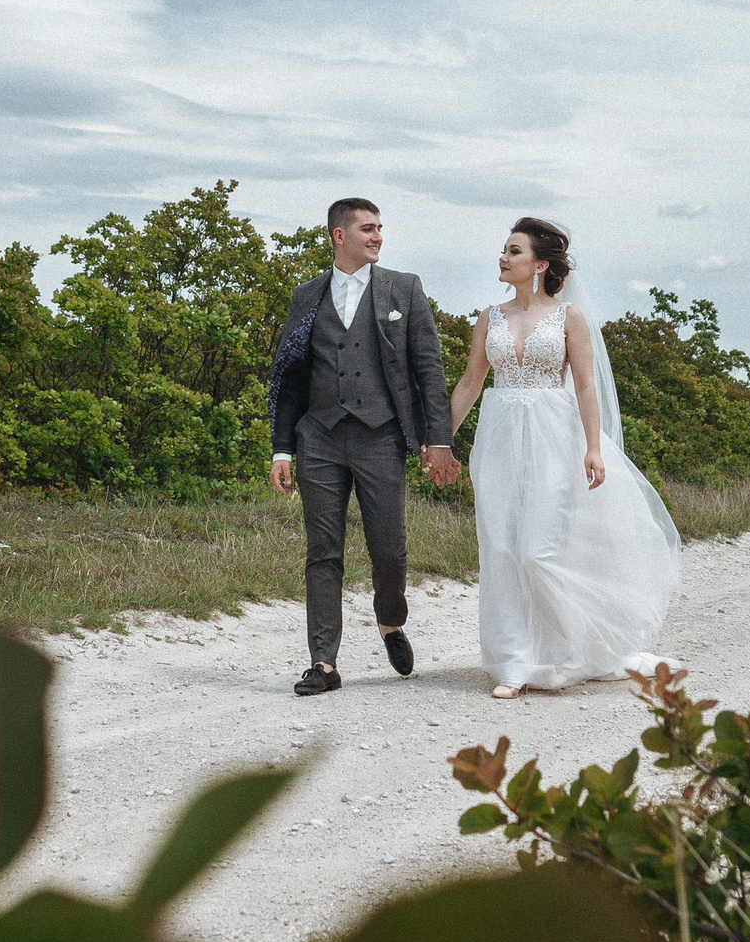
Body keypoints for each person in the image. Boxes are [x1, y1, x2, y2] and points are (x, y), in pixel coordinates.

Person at [446, 218, 681, 697]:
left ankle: (576, 648)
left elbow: (586, 384)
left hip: (555, 434)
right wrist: (439, 441)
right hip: (499, 435)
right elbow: (472, 383)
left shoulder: (568, 316)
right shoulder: (489, 316)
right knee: (502, 548)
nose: (503, 258)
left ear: (540, 264)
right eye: (504, 250)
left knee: (538, 550)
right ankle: (513, 664)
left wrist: (594, 446)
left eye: (514, 251)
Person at [268, 198, 459, 697]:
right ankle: (323, 663)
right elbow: (289, 377)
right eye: (368, 229)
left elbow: (428, 369)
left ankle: (390, 621)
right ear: (339, 235)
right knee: (323, 551)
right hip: (320, 439)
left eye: (380, 229)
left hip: (379, 435)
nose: (378, 237)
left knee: (388, 548)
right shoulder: (307, 294)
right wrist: (282, 449)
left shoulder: (403, 288)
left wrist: (437, 438)